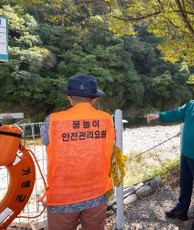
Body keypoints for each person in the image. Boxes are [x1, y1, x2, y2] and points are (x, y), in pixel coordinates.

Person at [145, 75, 194, 230]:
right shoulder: (191, 105)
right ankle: (182, 210)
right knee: (185, 183)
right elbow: (176, 113)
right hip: (186, 153)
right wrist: (159, 115)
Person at [41, 74, 115, 230]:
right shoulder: (106, 119)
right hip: (97, 191)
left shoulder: (52, 120)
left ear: (69, 97)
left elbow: (45, 142)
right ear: (94, 99)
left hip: (63, 196)